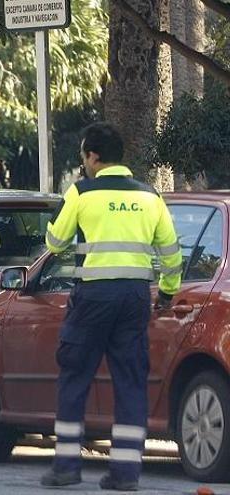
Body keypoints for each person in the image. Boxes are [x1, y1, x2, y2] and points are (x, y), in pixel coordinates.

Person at [39, 122, 182, 491]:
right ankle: (125, 473)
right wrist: (166, 293)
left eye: (83, 157)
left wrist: (64, 214)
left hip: (93, 297)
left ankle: (67, 467)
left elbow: (55, 242)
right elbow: (170, 253)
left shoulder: (82, 192)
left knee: (75, 375)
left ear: (93, 156)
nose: (83, 164)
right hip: (135, 298)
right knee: (131, 380)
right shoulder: (151, 196)